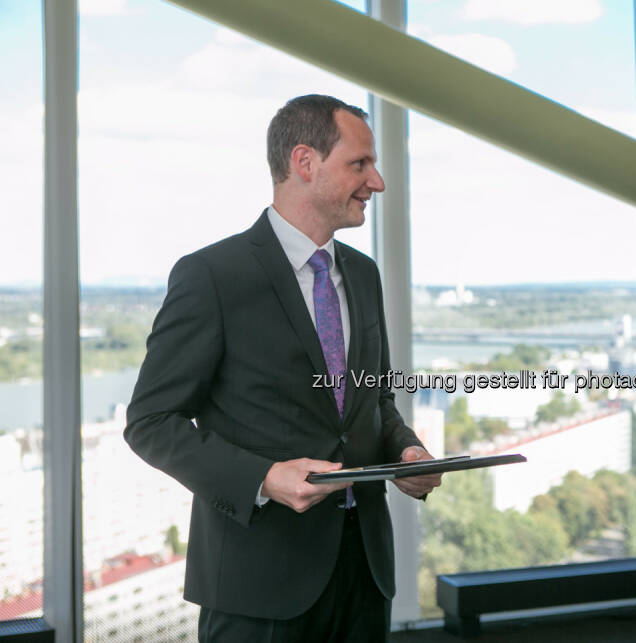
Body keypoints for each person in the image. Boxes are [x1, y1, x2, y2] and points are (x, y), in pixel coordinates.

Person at [125, 94, 441, 642]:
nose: (377, 182)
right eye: (360, 164)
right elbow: (151, 422)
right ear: (304, 162)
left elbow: (374, 401)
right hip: (256, 586)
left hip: (364, 573)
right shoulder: (212, 276)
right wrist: (265, 479)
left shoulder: (363, 275)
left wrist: (405, 451)